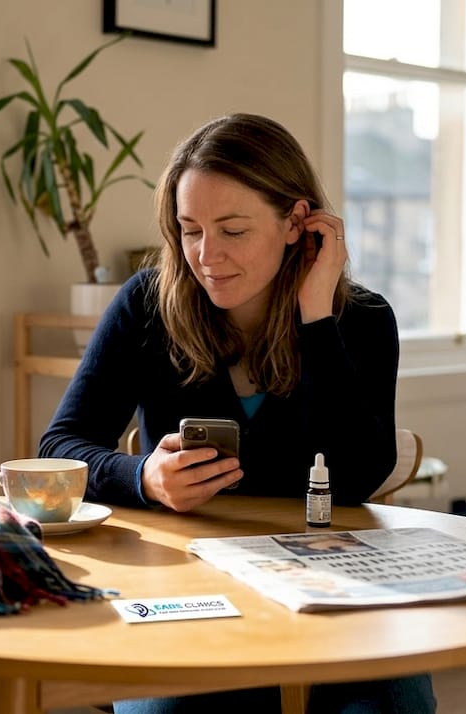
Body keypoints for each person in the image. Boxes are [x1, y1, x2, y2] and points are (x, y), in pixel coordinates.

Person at [39, 113, 434, 714]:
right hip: (186, 580)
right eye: (190, 229)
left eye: (233, 230)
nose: (206, 255)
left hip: (330, 577)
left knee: (392, 707)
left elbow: (361, 472)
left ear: (298, 224)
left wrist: (316, 318)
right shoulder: (146, 305)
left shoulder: (362, 320)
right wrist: (142, 476)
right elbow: (61, 446)